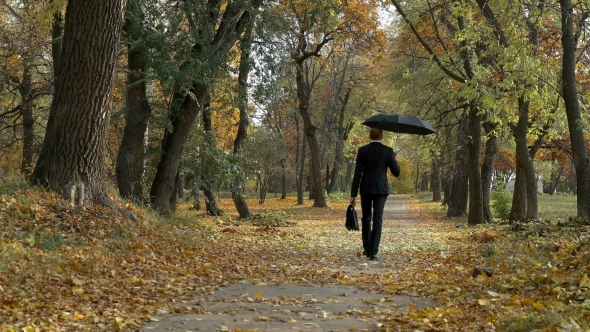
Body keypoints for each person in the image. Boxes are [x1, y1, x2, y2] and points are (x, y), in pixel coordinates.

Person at [350, 127, 400, 261]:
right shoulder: (388, 151)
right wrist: (394, 159)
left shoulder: (363, 150)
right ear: (382, 136)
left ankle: (367, 248)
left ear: (370, 136)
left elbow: (358, 172)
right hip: (381, 190)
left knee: (366, 218)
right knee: (378, 218)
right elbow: (396, 173)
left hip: (366, 188)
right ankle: (373, 251)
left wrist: (353, 194)